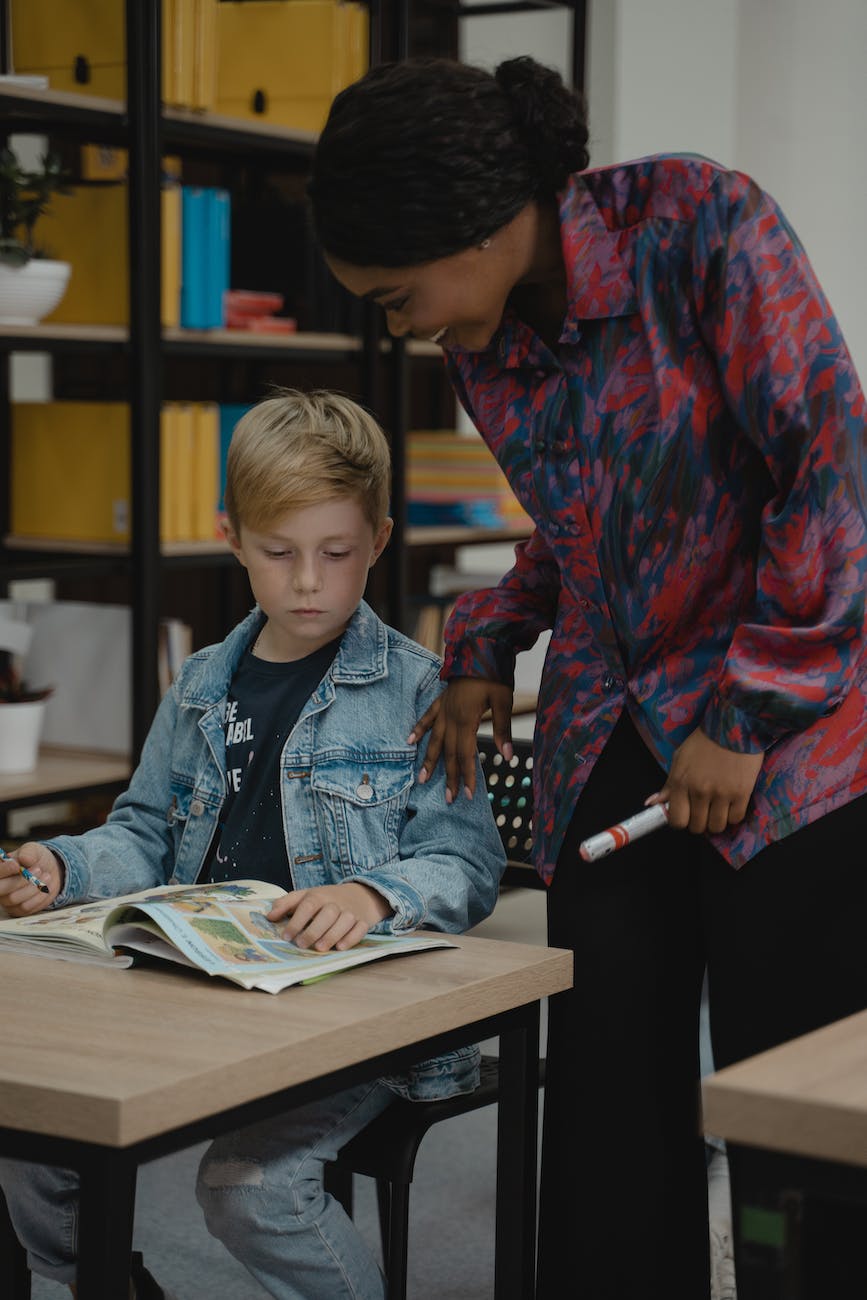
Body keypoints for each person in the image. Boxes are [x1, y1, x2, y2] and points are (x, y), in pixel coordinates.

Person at [309, 55, 867, 1298]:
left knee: (791, 1094)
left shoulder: (703, 226)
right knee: (610, 1078)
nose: (400, 327)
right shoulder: (486, 332)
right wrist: (483, 647)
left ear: (482, 223)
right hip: (615, 721)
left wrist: (750, 710)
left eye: (397, 295)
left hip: (793, 730)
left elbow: (828, 472)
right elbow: (584, 523)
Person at [0, 389, 506, 1300]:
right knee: (30, 1133)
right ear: (232, 537)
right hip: (200, 997)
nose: (307, 581)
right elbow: (145, 834)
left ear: (379, 540)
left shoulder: (421, 690)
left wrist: (370, 896)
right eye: (278, 554)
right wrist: (65, 867)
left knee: (250, 1186)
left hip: (355, 1026)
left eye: (336, 554)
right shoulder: (199, 684)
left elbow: (466, 867)